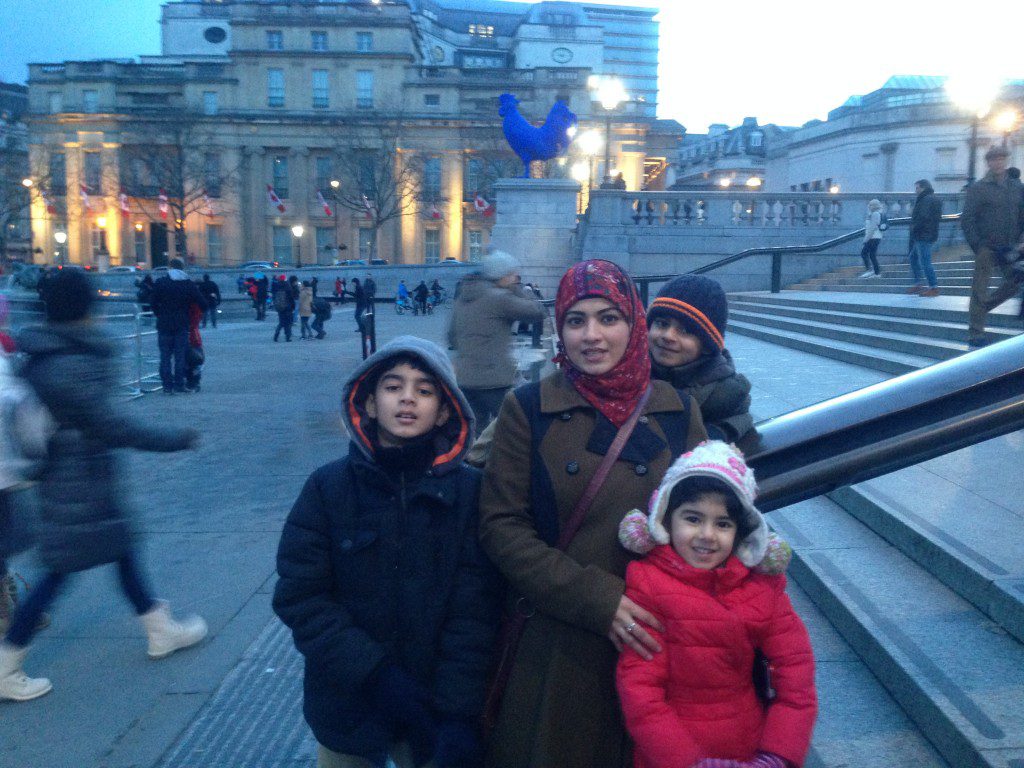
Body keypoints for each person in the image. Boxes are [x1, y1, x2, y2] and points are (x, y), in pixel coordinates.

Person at [478, 259, 708, 768]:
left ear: (634, 323)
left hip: (656, 638)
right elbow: (502, 525)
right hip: (562, 640)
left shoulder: (678, 409)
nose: (592, 335)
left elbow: (707, 515)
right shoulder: (529, 408)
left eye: (609, 317)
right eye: (576, 320)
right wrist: (597, 600)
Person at [273, 336, 499, 768]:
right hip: (348, 709)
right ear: (370, 402)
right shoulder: (327, 488)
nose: (408, 399)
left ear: (446, 409)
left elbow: (474, 608)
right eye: (393, 386)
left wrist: (457, 713)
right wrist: (374, 673)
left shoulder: (469, 494)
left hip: (432, 711)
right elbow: (301, 597)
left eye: (425, 389)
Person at [0, 267, 206, 703]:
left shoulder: (44, 354)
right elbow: (111, 425)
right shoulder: (73, 363)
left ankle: (158, 627)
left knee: (120, 549)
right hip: (79, 482)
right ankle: (6, 662)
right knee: (59, 573)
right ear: (86, 310)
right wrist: (174, 440)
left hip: (74, 478)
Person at [616, 441, 817, 768]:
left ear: (741, 532)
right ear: (666, 521)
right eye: (693, 519)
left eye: (723, 524)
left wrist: (777, 754)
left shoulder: (762, 589)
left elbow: (797, 676)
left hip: (749, 748)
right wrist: (688, 762)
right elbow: (642, 693)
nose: (707, 535)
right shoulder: (650, 586)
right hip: (672, 755)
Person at [646, 275, 754, 443]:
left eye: (685, 331)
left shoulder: (725, 395)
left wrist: (720, 432)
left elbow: (741, 417)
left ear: (706, 346)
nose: (668, 336)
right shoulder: (628, 372)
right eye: (662, 324)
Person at [447, 251, 546, 435]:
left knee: (474, 433)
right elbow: (536, 312)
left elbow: (451, 337)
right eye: (512, 274)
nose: (514, 277)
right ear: (502, 276)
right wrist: (518, 288)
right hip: (495, 379)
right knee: (515, 429)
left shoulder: (463, 296)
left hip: (466, 378)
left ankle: (473, 463)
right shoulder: (499, 298)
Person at [961, 145, 1024, 347]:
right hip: (986, 247)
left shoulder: (1017, 187)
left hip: (1010, 247)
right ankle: (975, 332)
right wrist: (978, 246)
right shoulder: (978, 188)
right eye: (993, 159)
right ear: (988, 162)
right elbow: (967, 219)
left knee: (1014, 283)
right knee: (979, 288)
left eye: (1001, 159)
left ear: (1006, 161)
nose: (998, 163)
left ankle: (983, 307)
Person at [150, 257, 207, 394]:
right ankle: (179, 385)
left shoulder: (161, 282)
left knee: (165, 356)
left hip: (164, 324)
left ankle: (167, 386)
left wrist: (160, 314)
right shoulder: (188, 284)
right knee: (180, 356)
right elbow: (203, 304)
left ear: (169, 268)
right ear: (182, 268)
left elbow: (152, 303)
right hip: (181, 325)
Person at [908, 179, 943, 297]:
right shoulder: (933, 198)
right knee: (913, 257)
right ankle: (918, 284)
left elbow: (922, 217)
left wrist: (914, 229)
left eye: (917, 188)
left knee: (925, 261)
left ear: (923, 187)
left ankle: (933, 287)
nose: (915, 191)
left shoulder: (925, 199)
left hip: (923, 234)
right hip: (928, 233)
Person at [858, 199, 884, 278]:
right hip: (875, 237)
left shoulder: (875, 214)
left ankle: (869, 270)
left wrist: (866, 239)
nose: (869, 206)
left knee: (864, 253)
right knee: (872, 255)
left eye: (870, 205)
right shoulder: (874, 214)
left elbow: (872, 228)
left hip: (873, 237)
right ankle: (876, 272)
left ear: (874, 206)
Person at [184, 302, 204, 393]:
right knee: (195, 359)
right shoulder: (193, 299)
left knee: (194, 359)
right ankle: (193, 381)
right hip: (191, 334)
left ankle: (192, 381)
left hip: (190, 334)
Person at [272, 275, 296, 342]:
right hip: (288, 307)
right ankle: (287, 337)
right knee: (288, 323)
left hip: (280, 307)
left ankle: (276, 335)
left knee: (281, 322)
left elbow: (274, 296)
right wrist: (293, 306)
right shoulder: (287, 286)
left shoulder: (277, 286)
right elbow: (291, 298)